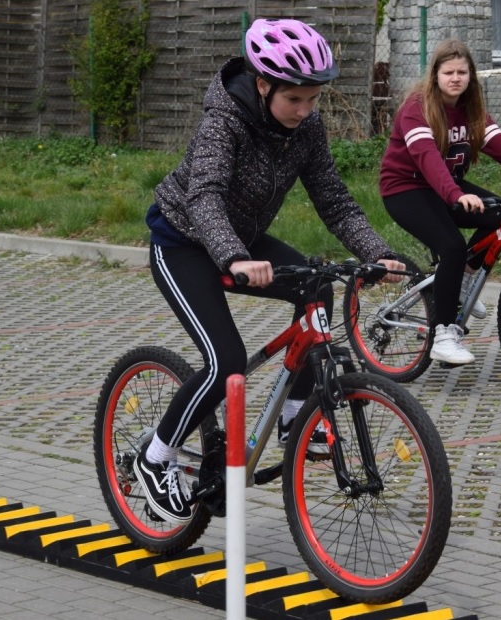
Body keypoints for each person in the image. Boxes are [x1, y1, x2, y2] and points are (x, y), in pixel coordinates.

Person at [136, 18, 405, 525]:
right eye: (294, 101)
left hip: (244, 238)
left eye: (313, 100)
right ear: (263, 85)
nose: (305, 112)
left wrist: (378, 252)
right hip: (184, 240)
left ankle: (291, 421)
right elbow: (205, 196)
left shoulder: (307, 128)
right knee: (227, 361)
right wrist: (234, 257)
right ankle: (157, 456)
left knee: (318, 287)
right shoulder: (224, 121)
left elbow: (333, 198)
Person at [380, 39, 501, 365]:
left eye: (461, 72)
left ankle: (461, 284)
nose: (455, 78)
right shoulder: (417, 108)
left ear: (471, 76)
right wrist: (456, 194)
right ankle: (442, 335)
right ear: (435, 75)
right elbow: (426, 158)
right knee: (450, 245)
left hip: (447, 185)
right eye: (448, 72)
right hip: (405, 189)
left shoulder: (471, 112)